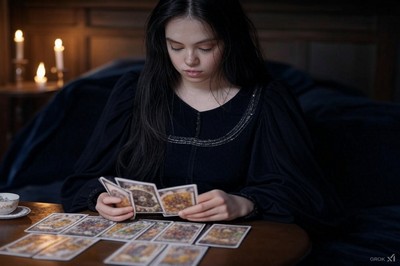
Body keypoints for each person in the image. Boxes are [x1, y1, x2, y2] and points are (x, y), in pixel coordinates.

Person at [61, 0, 343, 234]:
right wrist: (98, 198)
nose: (189, 61)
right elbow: (83, 179)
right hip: (138, 239)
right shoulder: (134, 92)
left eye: (205, 48)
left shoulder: (267, 100)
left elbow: (309, 196)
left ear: (231, 42)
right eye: (176, 47)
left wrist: (245, 203)